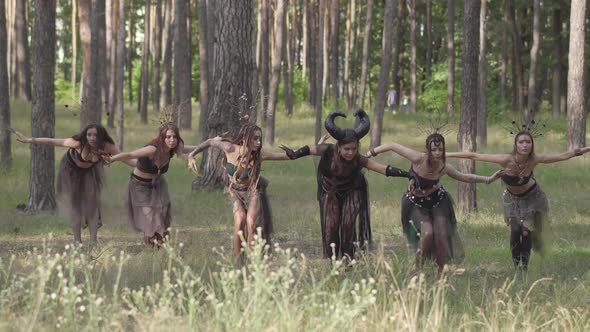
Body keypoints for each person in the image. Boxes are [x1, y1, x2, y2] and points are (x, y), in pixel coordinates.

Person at [447, 128, 590, 270]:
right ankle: (516, 267)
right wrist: (446, 154)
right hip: (512, 200)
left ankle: (525, 266)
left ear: (532, 145)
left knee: (526, 231)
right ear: (515, 145)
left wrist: (585, 149)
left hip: (533, 198)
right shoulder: (505, 160)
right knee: (515, 231)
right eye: (521, 142)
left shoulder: (535, 159)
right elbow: (474, 156)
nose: (525, 145)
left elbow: (562, 156)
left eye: (528, 142)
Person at [280, 109, 414, 260]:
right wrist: (295, 154)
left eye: (354, 149)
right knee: (331, 226)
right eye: (346, 149)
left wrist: (409, 174)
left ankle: (348, 261)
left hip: (353, 190)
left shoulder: (359, 159)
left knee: (348, 225)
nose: (350, 153)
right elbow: (309, 149)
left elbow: (383, 169)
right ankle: (333, 263)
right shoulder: (328, 150)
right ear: (338, 147)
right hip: (330, 190)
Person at [368, 133, 503, 274]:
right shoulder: (418, 158)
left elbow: (464, 177)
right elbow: (392, 145)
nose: (437, 153)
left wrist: (489, 179)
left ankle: (441, 271)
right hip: (416, 203)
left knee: (442, 233)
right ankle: (418, 268)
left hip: (438, 201)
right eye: (434, 150)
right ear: (428, 150)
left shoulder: (444, 167)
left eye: (440, 150)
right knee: (428, 234)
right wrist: (371, 152)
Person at [12, 125, 133, 244]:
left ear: (101, 136)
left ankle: (93, 240)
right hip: (71, 169)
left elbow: (128, 158)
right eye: (89, 135)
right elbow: (51, 141)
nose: (92, 138)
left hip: (90, 170)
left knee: (92, 203)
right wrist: (28, 140)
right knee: (75, 203)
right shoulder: (77, 143)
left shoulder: (106, 146)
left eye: (95, 135)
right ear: (85, 136)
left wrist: (144, 166)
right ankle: (77, 240)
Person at [188, 123, 290, 261]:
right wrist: (191, 155)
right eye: (255, 138)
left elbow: (283, 156)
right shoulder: (229, 148)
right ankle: (239, 261)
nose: (258, 142)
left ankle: (254, 262)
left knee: (251, 221)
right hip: (234, 191)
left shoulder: (259, 155)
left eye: (259, 139)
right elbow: (210, 142)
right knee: (240, 219)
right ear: (245, 138)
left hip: (252, 191)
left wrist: (296, 153)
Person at [107, 123, 195, 246]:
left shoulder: (173, 149)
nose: (172, 140)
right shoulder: (153, 149)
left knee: (161, 215)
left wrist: (211, 143)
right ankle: (150, 244)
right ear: (162, 137)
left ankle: (159, 244)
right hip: (139, 185)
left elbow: (191, 148)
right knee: (149, 216)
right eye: (168, 137)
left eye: (174, 137)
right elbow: (130, 155)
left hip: (157, 184)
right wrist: (112, 159)